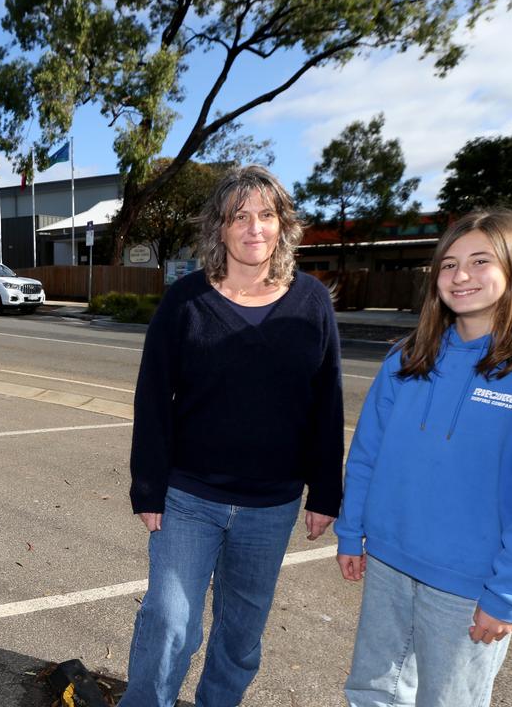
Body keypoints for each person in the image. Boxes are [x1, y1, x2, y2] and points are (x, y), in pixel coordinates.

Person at [334, 208, 512, 707]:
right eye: (448, 265)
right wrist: (352, 530)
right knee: (372, 693)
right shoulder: (407, 358)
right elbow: (367, 454)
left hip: (472, 584)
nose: (460, 276)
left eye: (480, 261)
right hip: (389, 562)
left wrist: (510, 592)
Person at [120, 165, 345, 707]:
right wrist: (148, 487)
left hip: (272, 507)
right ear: (219, 230)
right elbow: (153, 399)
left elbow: (326, 404)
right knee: (171, 622)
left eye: (266, 215)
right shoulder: (185, 302)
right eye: (238, 216)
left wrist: (326, 493)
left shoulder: (312, 303)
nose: (253, 228)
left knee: (240, 636)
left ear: (283, 225)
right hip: (189, 498)